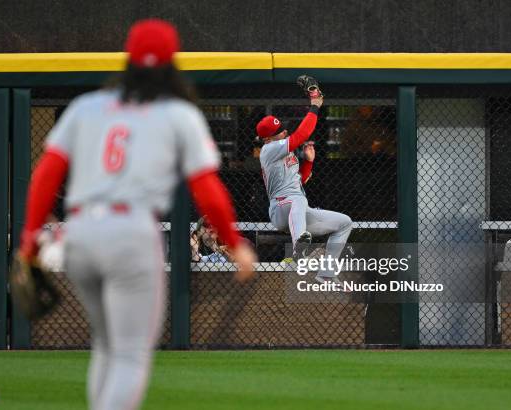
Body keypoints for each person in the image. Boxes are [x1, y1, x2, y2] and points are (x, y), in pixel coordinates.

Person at [18, 19, 256, 410]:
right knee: (129, 355)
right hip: (130, 232)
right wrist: (234, 244)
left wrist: (30, 238)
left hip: (80, 232)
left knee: (107, 347)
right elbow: (208, 191)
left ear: (128, 60)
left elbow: (46, 174)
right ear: (170, 65)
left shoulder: (86, 107)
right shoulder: (179, 115)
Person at [256, 94, 352, 282]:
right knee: (299, 200)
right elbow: (302, 134)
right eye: (279, 132)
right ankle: (299, 252)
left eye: (283, 129)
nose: (284, 132)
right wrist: (315, 106)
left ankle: (326, 273)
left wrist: (308, 162)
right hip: (281, 208)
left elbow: (300, 181)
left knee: (344, 223)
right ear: (267, 139)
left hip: (297, 210)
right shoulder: (269, 150)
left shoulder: (282, 150)